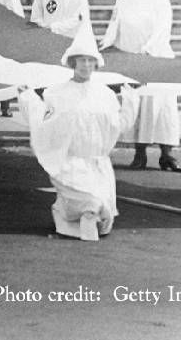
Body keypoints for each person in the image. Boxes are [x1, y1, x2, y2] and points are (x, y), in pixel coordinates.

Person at [17, 21, 140, 242]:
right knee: (90, 202)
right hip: (70, 163)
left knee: (102, 217)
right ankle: (78, 216)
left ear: (96, 64)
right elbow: (43, 120)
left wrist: (131, 101)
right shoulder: (57, 93)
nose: (85, 65)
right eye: (81, 60)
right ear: (73, 63)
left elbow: (119, 124)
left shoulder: (105, 95)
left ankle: (69, 216)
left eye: (90, 61)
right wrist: (27, 98)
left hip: (97, 164)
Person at [99, 0, 181, 172]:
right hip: (131, 59)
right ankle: (140, 153)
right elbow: (114, 23)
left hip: (156, 59)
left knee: (163, 107)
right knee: (138, 105)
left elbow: (162, 29)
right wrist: (107, 44)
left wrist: (147, 51)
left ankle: (167, 154)